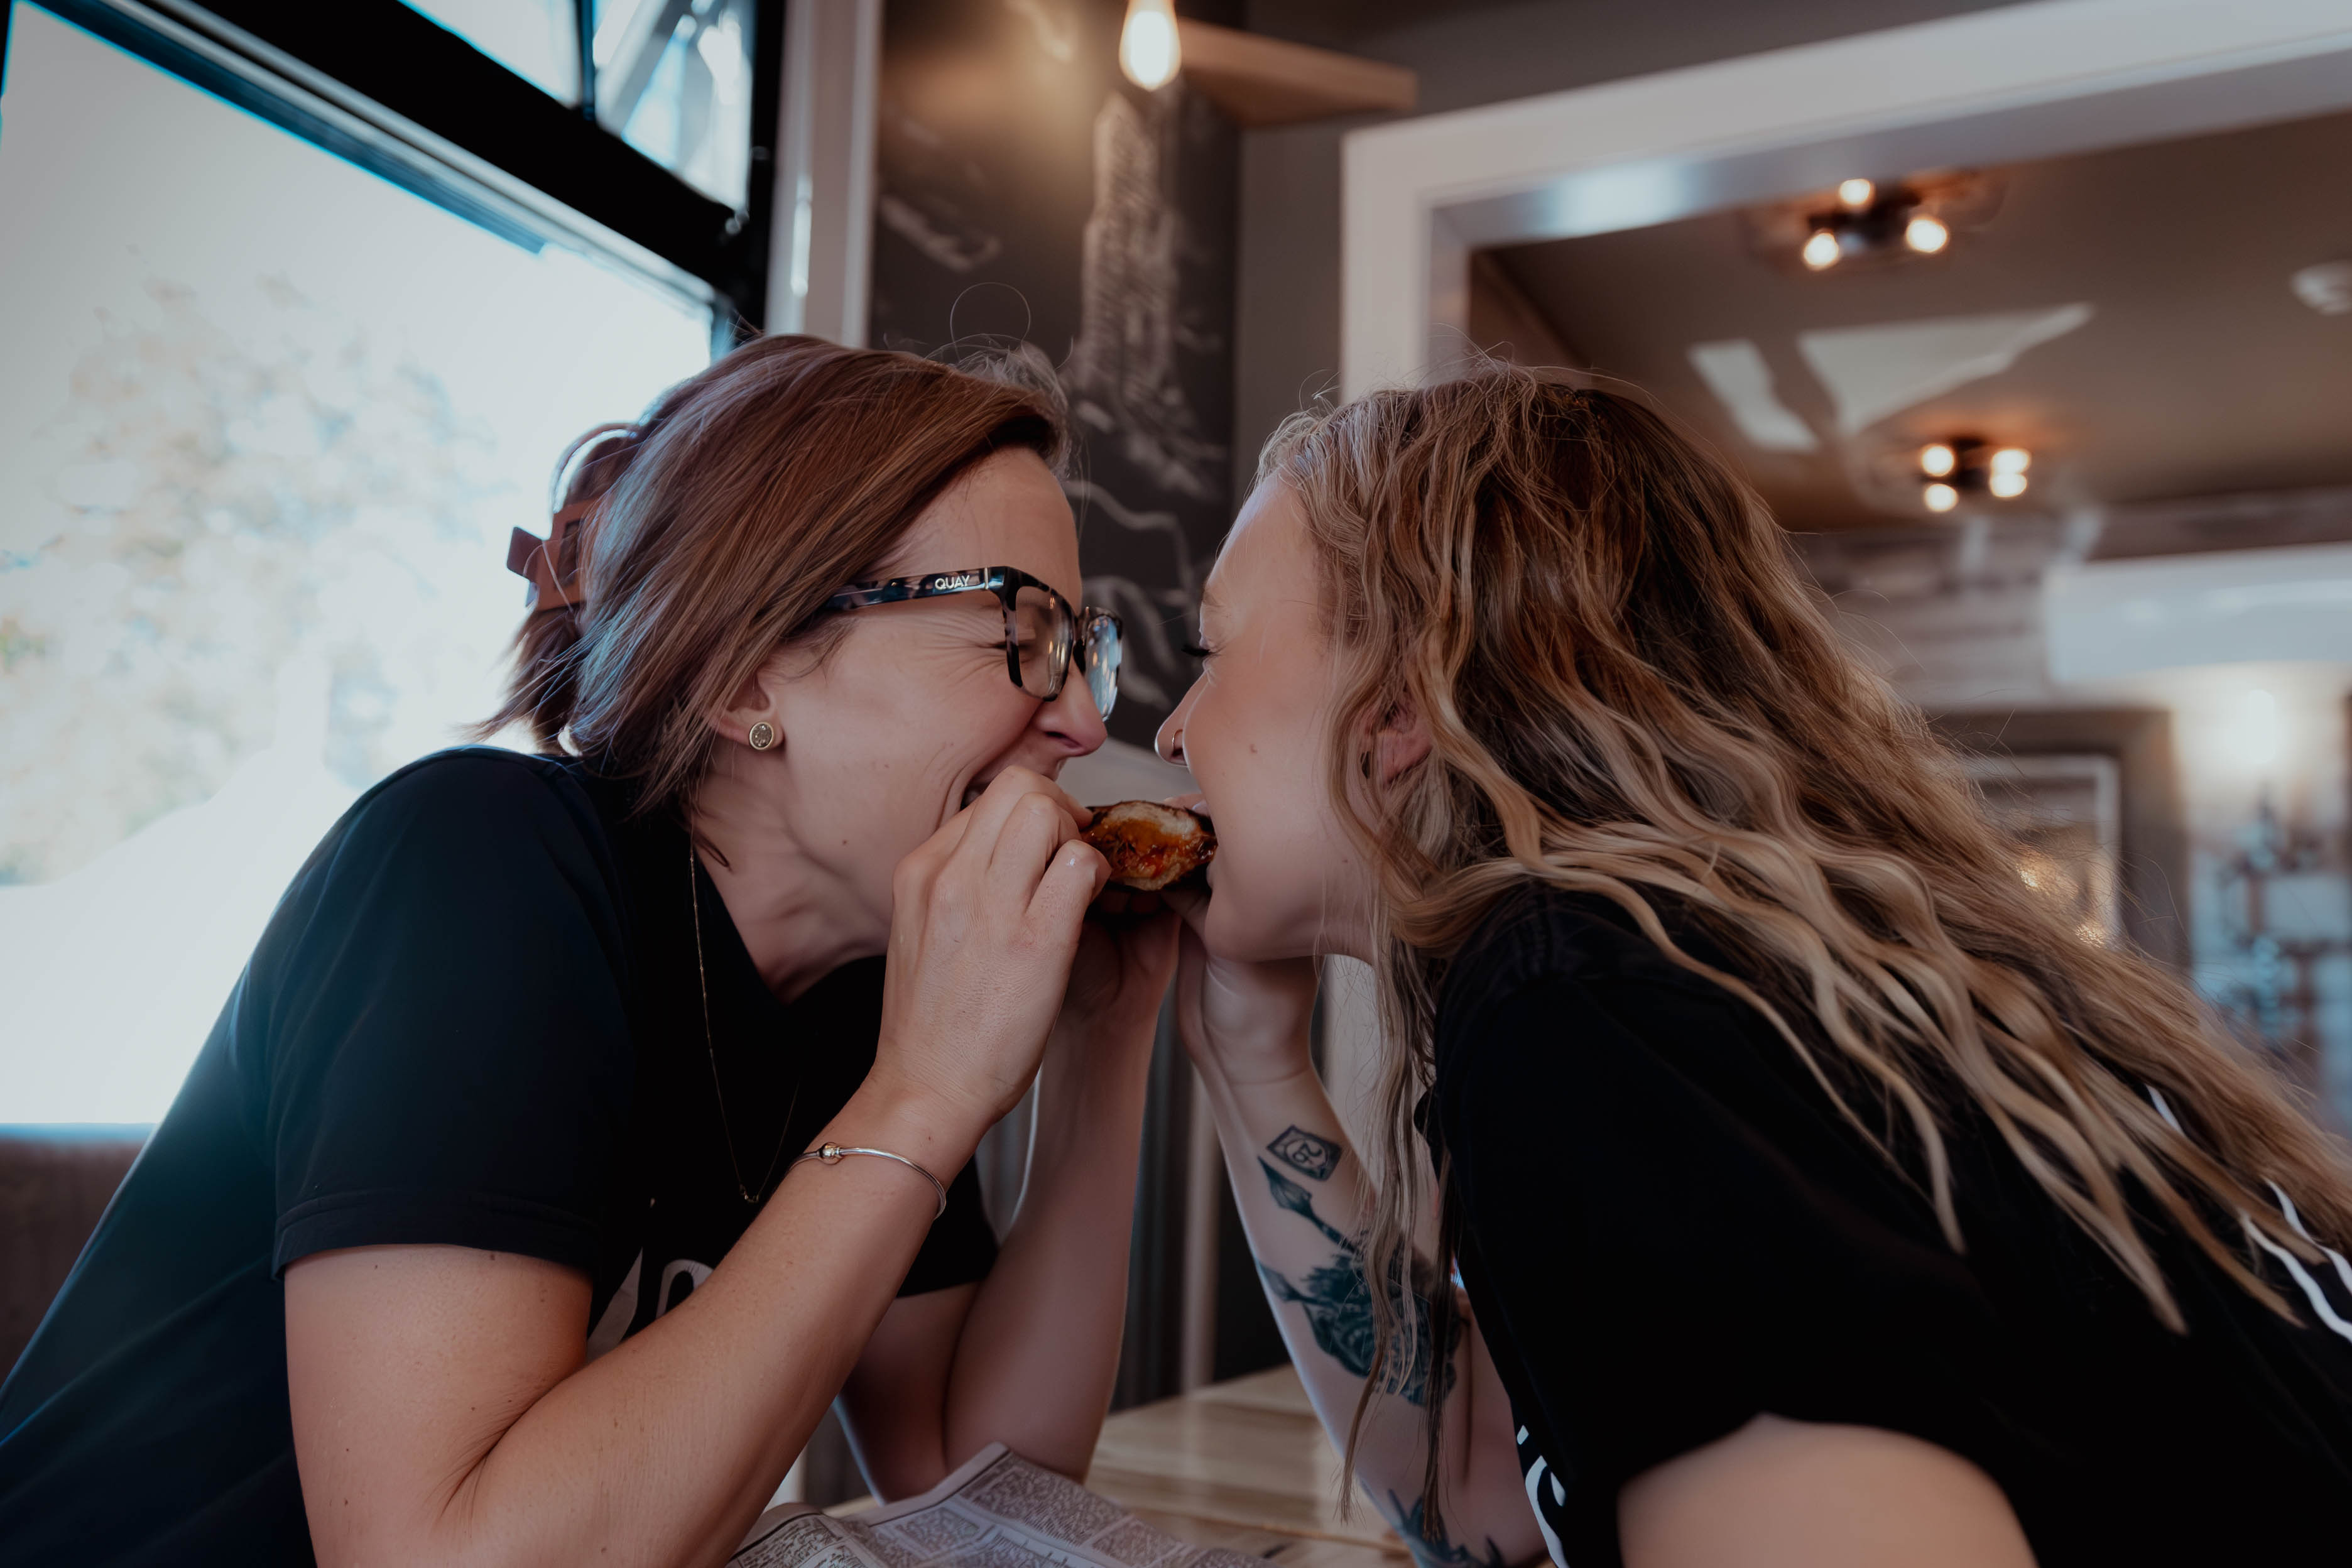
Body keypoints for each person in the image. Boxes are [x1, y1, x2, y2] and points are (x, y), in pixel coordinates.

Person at [0, 336, 1177, 1566]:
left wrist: (1107, 1040)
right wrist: (925, 1096)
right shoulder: (476, 868)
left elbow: (976, 1484)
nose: (1086, 721)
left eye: (1080, 646)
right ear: (746, 674)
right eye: (1021, 632)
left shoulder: (860, 991)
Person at [1155, 366, 2352, 1568]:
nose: (1169, 733)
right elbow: (1483, 1493)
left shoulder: (1599, 1012)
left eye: (1211, 652)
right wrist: (1248, 1046)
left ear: (1397, 701)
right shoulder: (1699, 971)